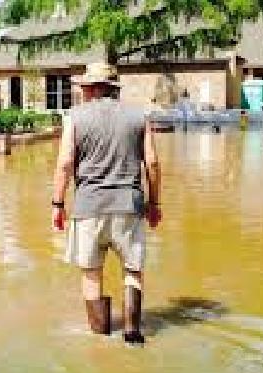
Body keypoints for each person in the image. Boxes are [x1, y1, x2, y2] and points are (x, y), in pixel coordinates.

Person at [51, 62, 162, 347]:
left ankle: (100, 336)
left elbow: (64, 163)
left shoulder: (74, 117)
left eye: (85, 87)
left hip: (89, 207)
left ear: (93, 88)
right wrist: (154, 202)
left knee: (91, 272)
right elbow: (152, 162)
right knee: (133, 269)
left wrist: (57, 203)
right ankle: (132, 334)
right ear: (113, 89)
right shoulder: (139, 116)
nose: (83, 92)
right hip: (130, 205)